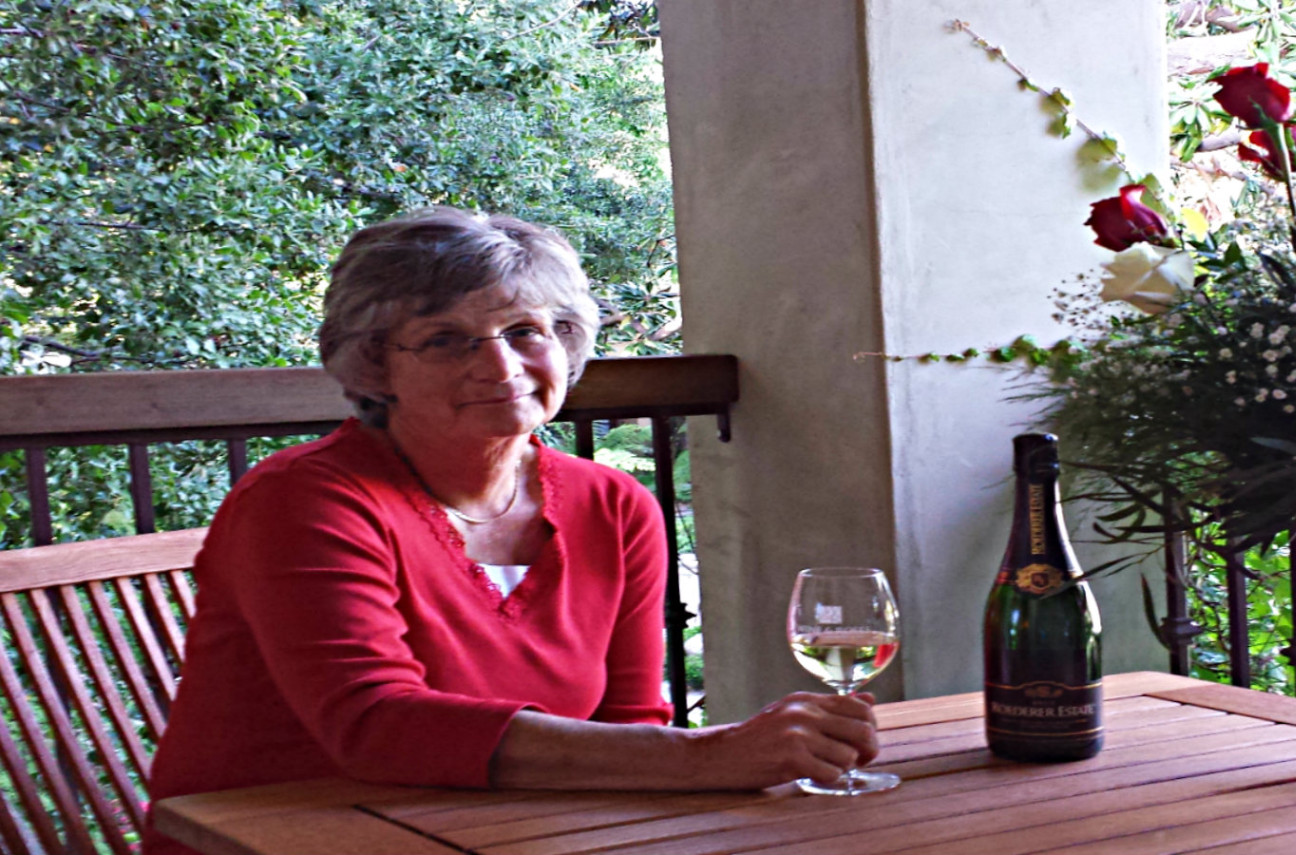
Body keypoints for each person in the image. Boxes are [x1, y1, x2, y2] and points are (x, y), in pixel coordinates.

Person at [144, 208, 878, 855]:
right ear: (374, 364)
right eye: (444, 340)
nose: (499, 364)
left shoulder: (613, 506)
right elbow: (374, 723)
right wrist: (712, 754)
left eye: (526, 330)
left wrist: (706, 768)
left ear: (566, 342)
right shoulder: (305, 500)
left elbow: (630, 724)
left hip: (512, 835)